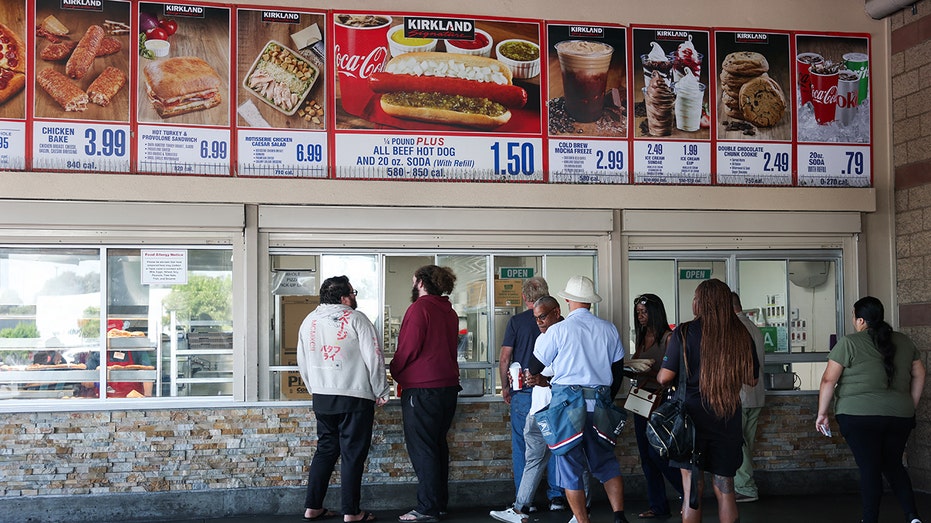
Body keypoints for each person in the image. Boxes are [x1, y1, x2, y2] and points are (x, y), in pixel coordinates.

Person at [657, 279, 759, 523]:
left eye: (696, 297)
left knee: (692, 489)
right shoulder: (740, 333)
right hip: (727, 417)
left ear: (702, 303)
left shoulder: (684, 332)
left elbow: (664, 377)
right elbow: (752, 379)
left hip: (689, 421)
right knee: (725, 489)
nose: (693, 302)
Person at [816, 296, 925, 523]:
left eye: (854, 317)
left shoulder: (850, 342)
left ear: (861, 320)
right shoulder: (904, 342)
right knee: (893, 464)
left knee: (870, 467)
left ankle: (869, 519)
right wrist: (909, 405)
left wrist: (822, 414)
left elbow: (828, 380)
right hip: (900, 416)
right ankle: (913, 517)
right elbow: (920, 373)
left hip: (858, 415)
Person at [531, 276, 629, 523]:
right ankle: (619, 516)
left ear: (566, 300)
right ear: (590, 302)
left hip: (568, 406)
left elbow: (535, 366)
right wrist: (606, 397)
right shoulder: (608, 329)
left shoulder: (559, 330)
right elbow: (617, 372)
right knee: (606, 462)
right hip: (600, 404)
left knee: (569, 465)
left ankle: (583, 521)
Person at [297, 275, 389, 523]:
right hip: (355, 396)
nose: (355, 297)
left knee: (325, 451)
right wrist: (381, 390)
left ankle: (312, 507)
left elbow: (302, 362)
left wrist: (314, 389)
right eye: (353, 292)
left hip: (322, 396)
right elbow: (374, 358)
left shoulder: (309, 321)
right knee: (352, 454)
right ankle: (351, 511)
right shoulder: (357, 319)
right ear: (343, 297)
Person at [390, 265, 461, 523]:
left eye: (413, 279)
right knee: (438, 446)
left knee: (423, 449)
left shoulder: (419, 309)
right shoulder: (448, 311)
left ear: (420, 282)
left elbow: (408, 348)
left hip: (422, 389)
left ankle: (427, 507)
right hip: (448, 388)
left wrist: (394, 370)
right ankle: (439, 503)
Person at [491, 295, 567, 523]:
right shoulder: (557, 332)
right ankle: (533, 505)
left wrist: (508, 387)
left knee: (559, 454)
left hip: (549, 402)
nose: (539, 322)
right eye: (536, 318)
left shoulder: (556, 333)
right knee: (546, 454)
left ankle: (575, 510)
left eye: (542, 316)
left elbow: (509, 360)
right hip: (546, 403)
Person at [628, 294, 683, 519]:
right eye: (638, 313)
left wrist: (648, 371)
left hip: (661, 402)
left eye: (644, 312)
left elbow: (675, 375)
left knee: (657, 452)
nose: (640, 317)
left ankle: (687, 491)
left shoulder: (669, 338)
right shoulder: (641, 339)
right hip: (641, 399)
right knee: (646, 456)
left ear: (655, 312)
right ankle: (658, 506)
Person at [732, 292, 765, 503]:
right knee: (746, 444)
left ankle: (745, 488)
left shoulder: (734, 330)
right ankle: (743, 485)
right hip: (757, 395)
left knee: (738, 444)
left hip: (739, 395)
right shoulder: (754, 328)